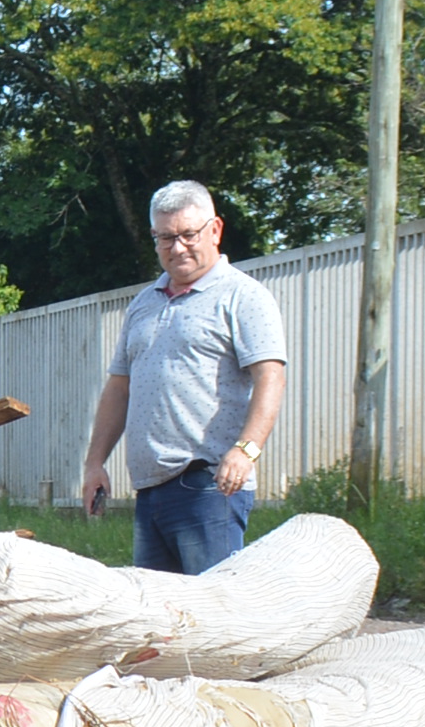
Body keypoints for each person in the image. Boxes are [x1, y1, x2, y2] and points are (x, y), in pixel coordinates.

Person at [76, 180, 286, 574]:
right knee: (160, 621)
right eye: (165, 237)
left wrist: (247, 450)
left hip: (208, 486)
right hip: (150, 489)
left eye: (188, 234)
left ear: (215, 230)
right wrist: (94, 463)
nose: (177, 247)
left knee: (213, 617)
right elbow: (119, 388)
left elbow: (271, 377)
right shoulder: (143, 305)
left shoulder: (242, 296)